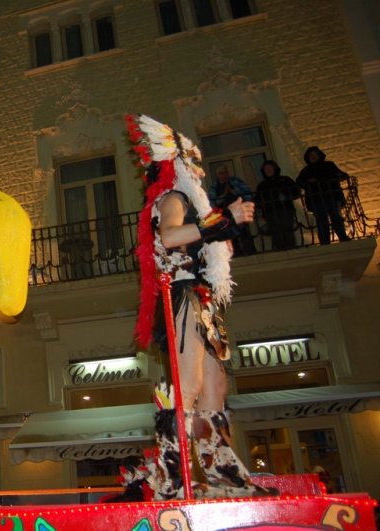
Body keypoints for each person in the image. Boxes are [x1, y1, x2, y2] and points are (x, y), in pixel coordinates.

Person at [121, 114, 277, 500]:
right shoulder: (172, 198)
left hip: (199, 297)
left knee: (216, 386)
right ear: (177, 166)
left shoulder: (191, 204)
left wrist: (224, 225)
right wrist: (223, 220)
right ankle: (170, 481)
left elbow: (198, 239)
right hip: (180, 294)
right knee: (187, 386)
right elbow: (171, 237)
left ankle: (222, 473)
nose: (201, 171)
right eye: (192, 162)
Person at [296, 146, 351, 244]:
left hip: (332, 197)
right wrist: (309, 181)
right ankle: (324, 240)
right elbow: (299, 182)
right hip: (316, 199)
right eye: (311, 155)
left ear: (319, 155)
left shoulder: (329, 165)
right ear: (307, 158)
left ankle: (343, 237)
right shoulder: (306, 170)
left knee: (336, 218)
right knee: (321, 220)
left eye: (315, 154)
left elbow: (342, 175)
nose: (313, 157)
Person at [208, 165, 257, 256]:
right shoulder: (214, 187)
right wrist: (225, 194)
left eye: (226, 172)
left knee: (244, 233)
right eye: (221, 173)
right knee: (231, 235)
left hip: (240, 212)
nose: (224, 175)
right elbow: (213, 203)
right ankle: (237, 254)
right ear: (217, 175)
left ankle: (251, 252)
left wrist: (233, 191)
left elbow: (246, 193)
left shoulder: (236, 181)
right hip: (226, 215)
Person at [255, 160, 300, 250]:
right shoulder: (262, 185)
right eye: (265, 169)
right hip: (271, 212)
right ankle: (281, 250)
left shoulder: (285, 180)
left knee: (287, 231)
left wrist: (285, 196)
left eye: (269, 167)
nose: (267, 170)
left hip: (285, 209)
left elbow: (296, 192)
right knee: (276, 233)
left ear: (274, 168)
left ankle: (291, 249)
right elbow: (258, 200)